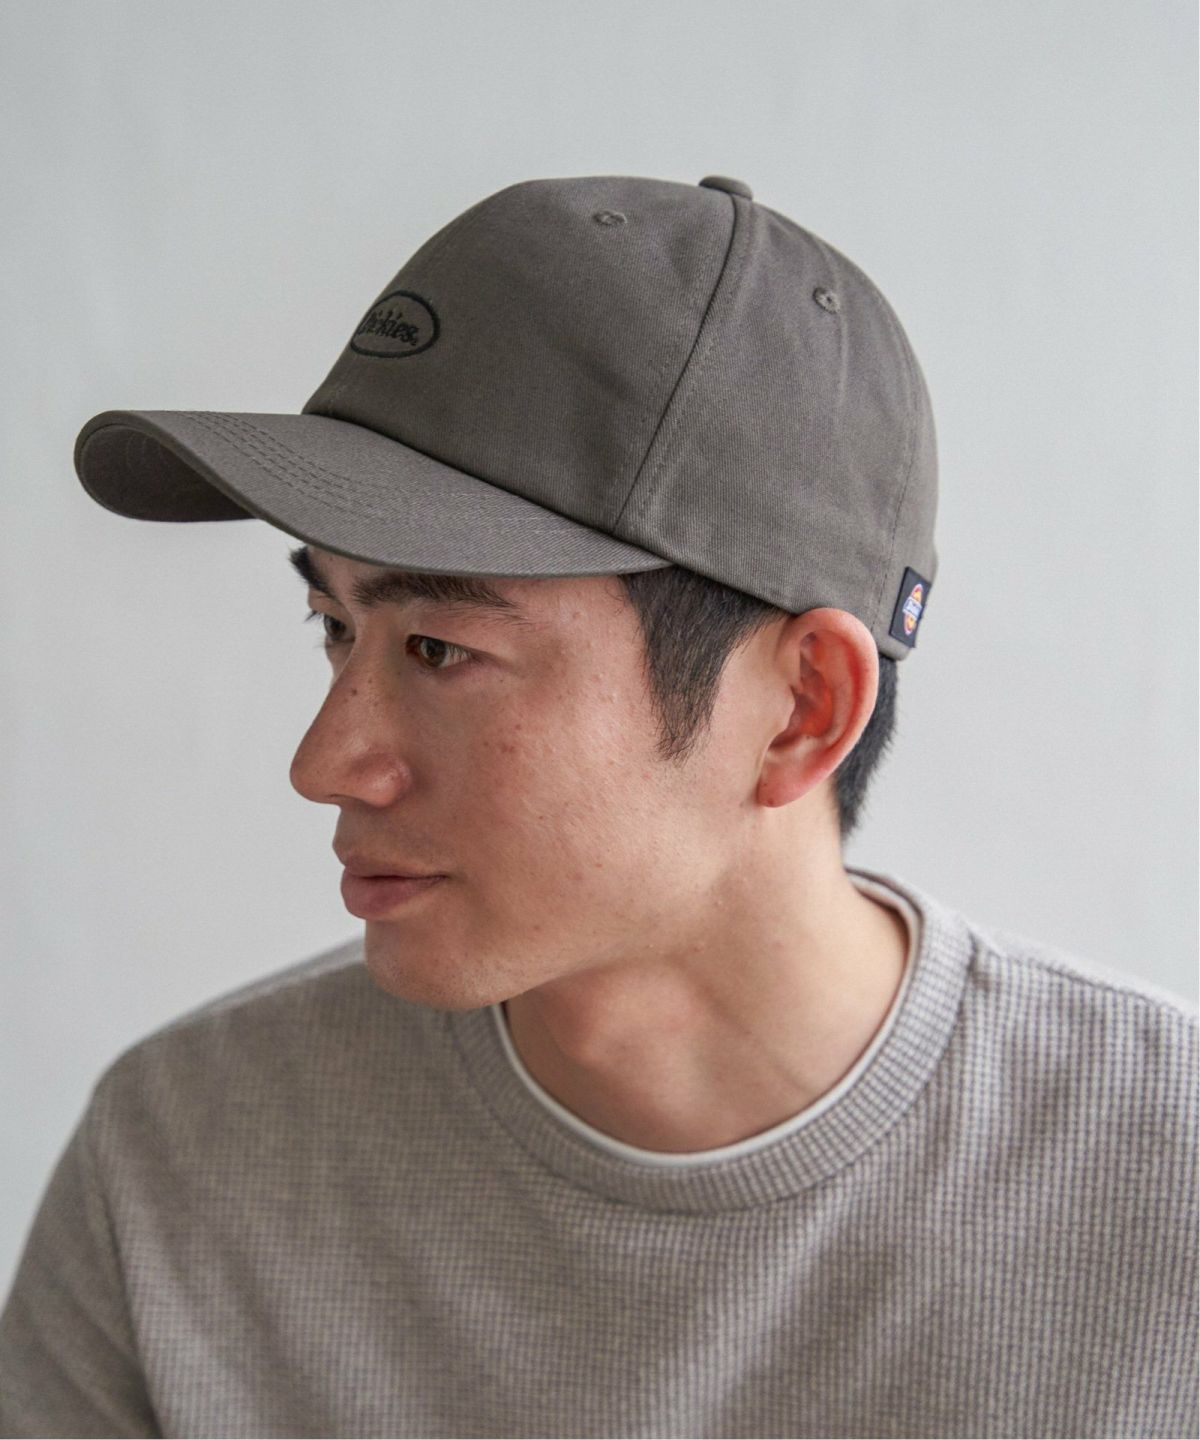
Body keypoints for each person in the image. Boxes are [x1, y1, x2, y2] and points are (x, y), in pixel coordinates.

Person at [0, 173, 1194, 1439]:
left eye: (440, 649)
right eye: (333, 626)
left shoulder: (1165, 1191)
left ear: (801, 709)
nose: (327, 761)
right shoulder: (184, 1164)